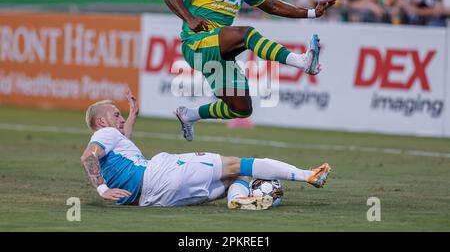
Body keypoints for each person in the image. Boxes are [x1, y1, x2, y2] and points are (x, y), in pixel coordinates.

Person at [160, 0, 337, 142]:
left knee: (242, 109)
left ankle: (190, 114)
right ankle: (301, 61)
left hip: (219, 51)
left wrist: (311, 13)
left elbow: (272, 6)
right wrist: (189, 18)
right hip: (196, 44)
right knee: (247, 34)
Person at [80, 89, 332, 210]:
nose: (121, 119)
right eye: (116, 115)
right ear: (101, 122)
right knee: (238, 164)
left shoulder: (114, 143)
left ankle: (238, 200)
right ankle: (307, 175)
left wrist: (133, 114)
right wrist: (102, 189)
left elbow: (123, 142)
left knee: (237, 178)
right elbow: (88, 156)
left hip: (153, 200)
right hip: (159, 174)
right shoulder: (105, 133)